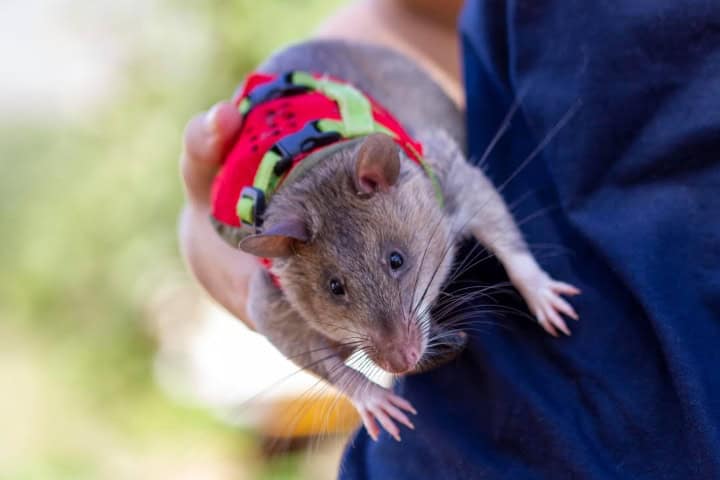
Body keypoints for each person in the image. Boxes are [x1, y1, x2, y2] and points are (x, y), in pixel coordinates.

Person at [180, 0, 720, 478]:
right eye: (340, 290)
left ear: (382, 177)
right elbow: (406, 13)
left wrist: (525, 270)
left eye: (395, 261)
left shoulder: (411, 183)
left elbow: (455, 174)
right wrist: (358, 386)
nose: (398, 352)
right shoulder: (297, 244)